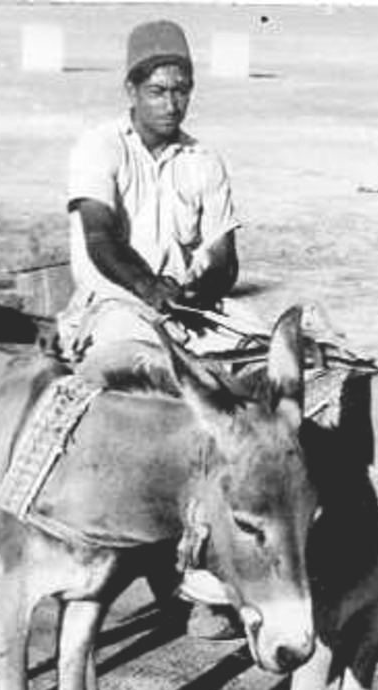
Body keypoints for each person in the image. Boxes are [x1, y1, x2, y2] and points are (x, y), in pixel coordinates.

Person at [58, 19, 248, 639]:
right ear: (132, 89)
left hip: (189, 314)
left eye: (182, 90)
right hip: (119, 304)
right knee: (156, 394)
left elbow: (225, 257)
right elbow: (100, 237)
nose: (171, 102)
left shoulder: (204, 160)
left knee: (254, 384)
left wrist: (202, 287)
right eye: (159, 90)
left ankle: (229, 550)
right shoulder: (101, 147)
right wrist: (151, 290)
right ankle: (176, 568)